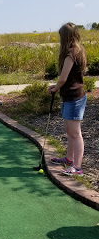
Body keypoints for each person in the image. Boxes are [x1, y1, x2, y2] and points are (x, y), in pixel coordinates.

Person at [48, 22, 87, 176]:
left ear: (65, 37)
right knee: (69, 131)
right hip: (70, 96)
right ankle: (69, 159)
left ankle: (77, 167)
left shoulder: (71, 54)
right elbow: (66, 78)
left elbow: (63, 78)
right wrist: (56, 86)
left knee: (75, 133)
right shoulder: (77, 50)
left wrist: (56, 87)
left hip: (74, 98)